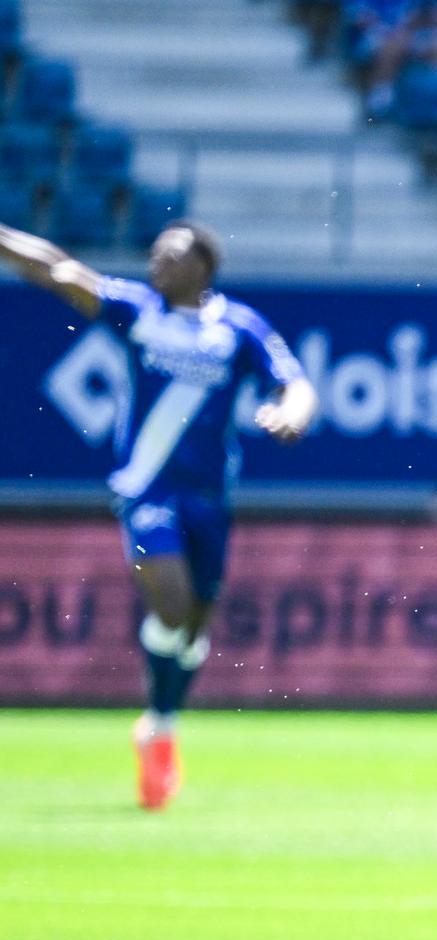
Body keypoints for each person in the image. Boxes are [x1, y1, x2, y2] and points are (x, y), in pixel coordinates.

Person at [0, 219, 315, 809]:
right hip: (148, 492)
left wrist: (292, 414)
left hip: (209, 499)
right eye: (153, 256)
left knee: (194, 628)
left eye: (169, 255)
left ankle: (160, 725)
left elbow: (294, 383)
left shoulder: (239, 329)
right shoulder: (139, 311)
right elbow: (60, 269)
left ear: (204, 265)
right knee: (169, 603)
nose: (156, 265)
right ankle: (160, 723)